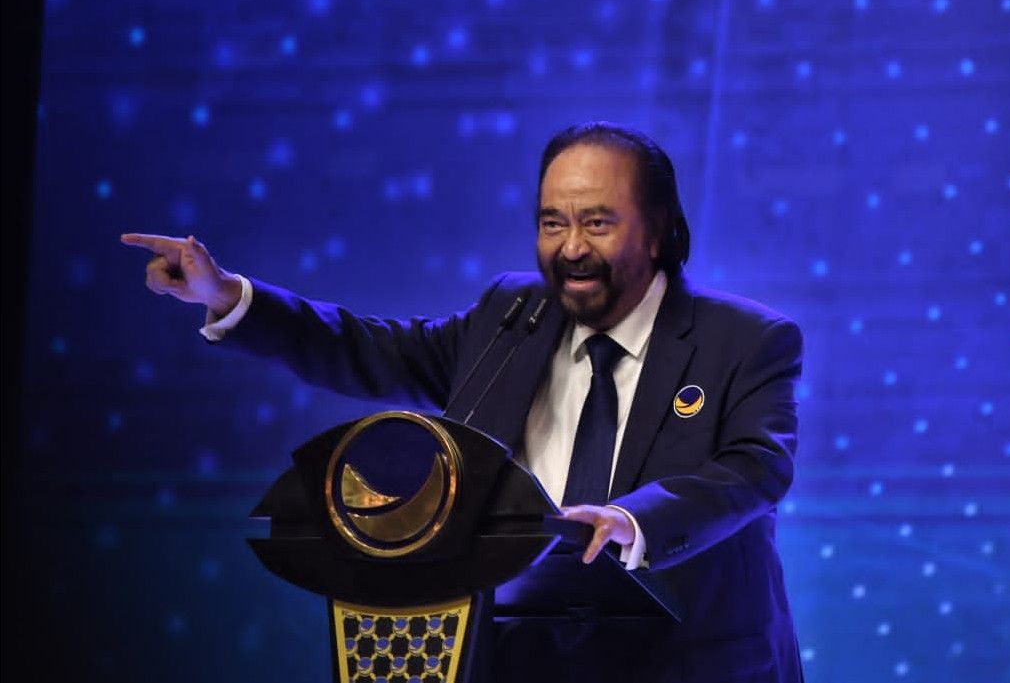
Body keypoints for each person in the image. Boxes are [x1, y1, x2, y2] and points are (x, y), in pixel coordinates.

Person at [123, 121, 804, 683]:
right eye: (552, 222)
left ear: (657, 231)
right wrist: (226, 296)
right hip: (513, 657)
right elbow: (368, 348)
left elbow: (755, 467)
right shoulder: (510, 316)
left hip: (685, 660)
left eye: (597, 223)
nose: (571, 247)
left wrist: (630, 520)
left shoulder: (747, 339)